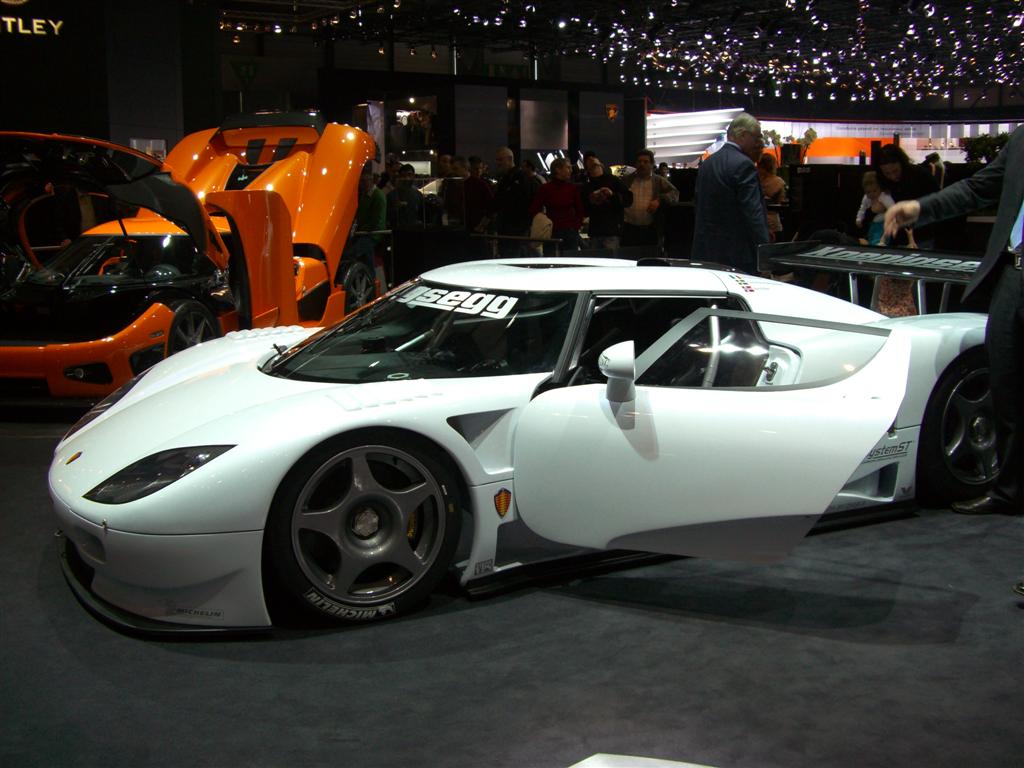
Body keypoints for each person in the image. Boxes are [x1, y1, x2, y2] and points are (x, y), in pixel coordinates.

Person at [884, 124, 1024, 535]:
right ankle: (1011, 491)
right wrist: (920, 208)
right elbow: (978, 188)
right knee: (1008, 388)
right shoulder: (1022, 140)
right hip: (1014, 274)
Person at [691, 112, 770, 273]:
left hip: (706, 251)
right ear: (743, 135)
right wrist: (765, 250)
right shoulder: (744, 165)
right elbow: (753, 213)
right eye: (756, 137)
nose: (758, 143)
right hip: (737, 255)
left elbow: (699, 204)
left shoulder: (707, 163)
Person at [875, 143, 939, 247]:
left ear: (902, 163)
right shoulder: (883, 181)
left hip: (923, 232)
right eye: (887, 173)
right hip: (899, 234)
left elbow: (935, 201)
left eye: (895, 171)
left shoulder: (920, 175)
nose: (893, 176)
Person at [621, 149, 679, 249]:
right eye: (639, 161)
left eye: (646, 162)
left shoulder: (658, 180)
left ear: (652, 164)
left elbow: (675, 193)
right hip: (629, 229)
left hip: (650, 229)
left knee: (649, 256)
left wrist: (659, 200)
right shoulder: (627, 180)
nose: (642, 164)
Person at [528, 157, 584, 254]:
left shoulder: (547, 188)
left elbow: (534, 210)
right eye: (568, 167)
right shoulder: (569, 188)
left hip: (562, 231)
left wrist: (575, 227)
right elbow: (534, 209)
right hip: (557, 231)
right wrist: (576, 226)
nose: (571, 170)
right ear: (558, 169)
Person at [581, 159, 632, 253]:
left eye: (595, 165)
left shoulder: (614, 180)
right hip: (596, 231)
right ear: (587, 169)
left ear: (601, 165)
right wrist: (591, 201)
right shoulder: (587, 186)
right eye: (590, 167)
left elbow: (628, 200)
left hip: (611, 229)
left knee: (610, 257)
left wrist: (612, 195)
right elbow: (584, 209)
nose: (593, 168)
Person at [491, 147, 534, 257]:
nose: (498, 163)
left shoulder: (520, 177)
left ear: (510, 159)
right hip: (509, 228)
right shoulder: (507, 178)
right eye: (497, 160)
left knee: (514, 255)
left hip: (516, 229)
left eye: (500, 160)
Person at [343, 169, 387, 272]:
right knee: (366, 260)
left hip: (373, 233)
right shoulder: (365, 195)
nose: (362, 184)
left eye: (364, 181)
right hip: (365, 233)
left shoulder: (378, 196)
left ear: (371, 180)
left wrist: (360, 229)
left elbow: (377, 220)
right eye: (361, 181)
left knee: (352, 254)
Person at [757, 154, 786, 240]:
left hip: (758, 221)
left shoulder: (754, 181)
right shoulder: (778, 182)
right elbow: (781, 201)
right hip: (774, 223)